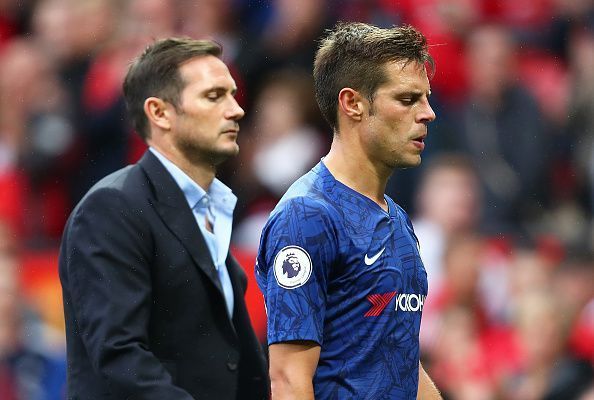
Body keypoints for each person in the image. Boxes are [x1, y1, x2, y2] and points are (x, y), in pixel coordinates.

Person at [58, 37, 269, 400]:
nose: (236, 110)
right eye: (214, 96)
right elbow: (121, 359)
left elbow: (234, 364)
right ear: (160, 113)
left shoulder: (211, 210)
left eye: (233, 94)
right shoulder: (113, 208)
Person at [256, 22, 442, 399]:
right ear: (353, 103)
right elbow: (289, 381)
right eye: (408, 100)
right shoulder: (306, 217)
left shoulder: (398, 220)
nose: (428, 113)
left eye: (426, 98)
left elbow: (400, 359)